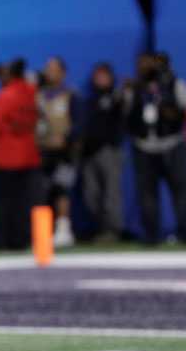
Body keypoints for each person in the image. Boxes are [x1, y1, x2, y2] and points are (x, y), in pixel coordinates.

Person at [123, 53, 186, 244]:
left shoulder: (175, 84)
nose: (147, 68)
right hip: (144, 146)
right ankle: (151, 235)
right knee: (147, 194)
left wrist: (169, 110)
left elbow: (183, 109)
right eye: (142, 64)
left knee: (181, 191)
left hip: (171, 144)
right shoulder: (134, 87)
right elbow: (126, 114)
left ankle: (184, 232)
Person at [0, 59, 41, 250]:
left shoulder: (6, 95)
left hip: (3, 157)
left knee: (1, 201)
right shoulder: (31, 93)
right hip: (28, 156)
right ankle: (19, 240)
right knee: (22, 201)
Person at [36, 56, 79, 247]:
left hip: (65, 151)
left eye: (54, 69)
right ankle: (44, 231)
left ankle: (63, 229)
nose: (49, 73)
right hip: (43, 149)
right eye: (48, 69)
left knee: (62, 188)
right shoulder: (39, 95)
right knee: (43, 191)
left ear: (63, 73)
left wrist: (66, 139)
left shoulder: (71, 94)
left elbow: (79, 122)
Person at [80, 62, 124, 243]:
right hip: (89, 152)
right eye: (97, 75)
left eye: (104, 75)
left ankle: (113, 230)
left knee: (110, 193)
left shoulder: (117, 97)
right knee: (91, 193)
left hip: (108, 149)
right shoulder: (89, 100)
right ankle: (100, 228)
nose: (100, 79)